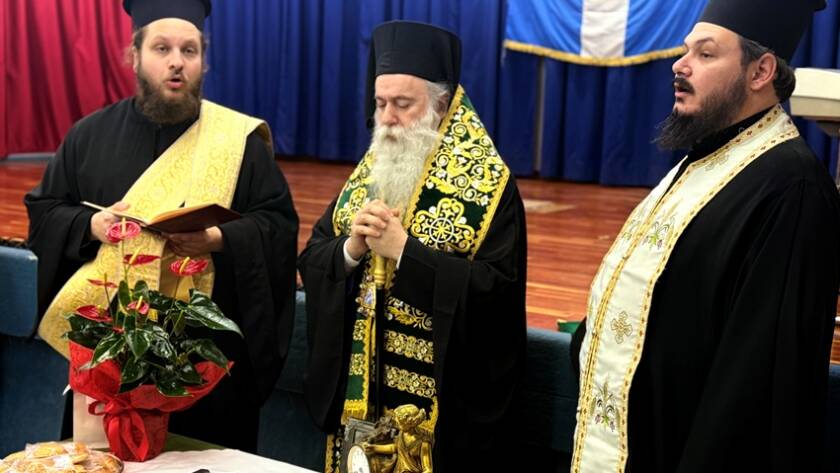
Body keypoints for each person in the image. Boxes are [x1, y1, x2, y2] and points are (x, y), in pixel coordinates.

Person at [570, 0, 840, 472]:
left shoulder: (792, 189)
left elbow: (755, 384)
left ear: (761, 72)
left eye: (706, 54)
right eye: (685, 50)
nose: (680, 64)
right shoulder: (703, 161)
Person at [24, 0, 298, 452]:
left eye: (189, 50)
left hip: (204, 365)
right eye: (162, 48)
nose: (176, 62)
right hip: (110, 355)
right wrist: (93, 225)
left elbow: (278, 227)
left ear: (203, 61)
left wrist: (216, 239)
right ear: (135, 56)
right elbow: (45, 211)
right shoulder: (88, 136)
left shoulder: (238, 142)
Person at [298, 21, 527, 472]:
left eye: (403, 104)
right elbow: (314, 256)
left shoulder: (491, 186)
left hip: (441, 417)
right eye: (380, 103)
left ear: (440, 105)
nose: (387, 118)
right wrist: (352, 249)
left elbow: (497, 294)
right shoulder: (368, 172)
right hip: (360, 406)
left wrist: (406, 252)